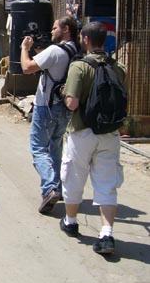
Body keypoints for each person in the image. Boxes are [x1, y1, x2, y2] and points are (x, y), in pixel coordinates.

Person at [59, 22, 126, 255]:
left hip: (82, 131)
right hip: (109, 133)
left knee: (73, 178)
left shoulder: (79, 66)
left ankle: (71, 221)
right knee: (107, 183)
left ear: (86, 39)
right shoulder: (118, 67)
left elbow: (72, 103)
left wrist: (63, 92)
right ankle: (106, 234)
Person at [20, 15, 79, 214]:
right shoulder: (75, 50)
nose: (52, 31)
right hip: (64, 106)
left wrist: (24, 49)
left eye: (55, 28)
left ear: (66, 30)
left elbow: (27, 68)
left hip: (46, 106)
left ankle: (50, 187)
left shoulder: (55, 51)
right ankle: (59, 188)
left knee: (38, 148)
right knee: (55, 148)